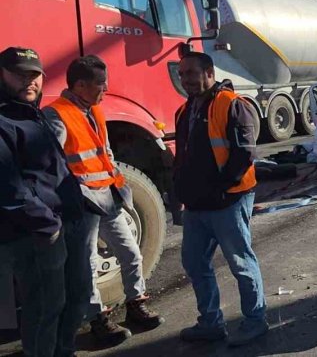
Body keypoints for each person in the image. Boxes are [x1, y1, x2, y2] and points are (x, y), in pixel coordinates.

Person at [43, 55, 163, 347]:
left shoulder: (94, 109)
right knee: (87, 265)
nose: (106, 88)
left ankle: (136, 303)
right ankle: (98, 319)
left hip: (107, 196)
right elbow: (53, 164)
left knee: (131, 252)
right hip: (82, 202)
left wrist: (119, 187)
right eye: (101, 83)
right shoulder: (57, 114)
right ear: (81, 85)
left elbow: (104, 152)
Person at [0, 46, 90, 357]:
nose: (29, 81)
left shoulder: (33, 113)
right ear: (2, 75)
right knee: (44, 311)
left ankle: (64, 351)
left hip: (67, 222)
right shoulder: (4, 119)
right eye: (19, 74)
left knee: (77, 296)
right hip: (35, 235)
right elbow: (9, 188)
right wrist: (48, 226)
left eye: (34, 75)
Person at [173, 52, 267, 347]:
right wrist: (178, 193)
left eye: (190, 73)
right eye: (181, 74)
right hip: (197, 204)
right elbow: (183, 159)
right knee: (194, 262)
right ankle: (210, 323)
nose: (185, 79)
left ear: (209, 72)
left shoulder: (232, 105)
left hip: (228, 202)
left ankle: (256, 321)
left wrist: (222, 188)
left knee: (240, 263)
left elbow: (244, 153)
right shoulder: (184, 111)